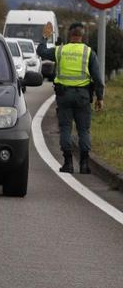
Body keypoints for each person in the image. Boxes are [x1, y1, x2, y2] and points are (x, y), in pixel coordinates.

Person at [36, 22, 105, 174]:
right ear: (82, 36)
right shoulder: (88, 52)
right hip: (83, 96)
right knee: (83, 130)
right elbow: (98, 78)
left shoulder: (60, 50)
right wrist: (100, 97)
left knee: (66, 128)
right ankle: (84, 164)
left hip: (64, 95)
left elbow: (41, 51)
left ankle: (68, 163)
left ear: (69, 36)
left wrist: (45, 37)